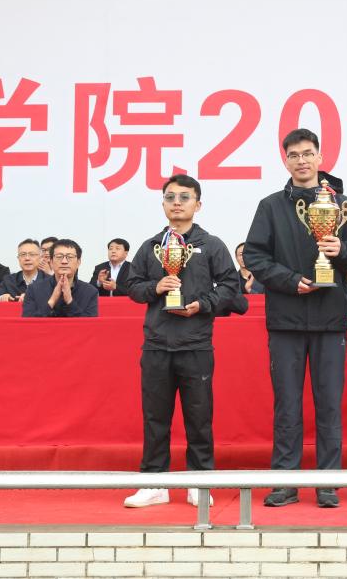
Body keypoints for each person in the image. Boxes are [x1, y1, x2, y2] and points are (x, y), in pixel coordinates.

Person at [242, 128, 347, 509]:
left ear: (320, 157)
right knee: (287, 405)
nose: (301, 161)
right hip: (286, 319)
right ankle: (285, 481)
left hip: (330, 319)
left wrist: (340, 248)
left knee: (329, 405)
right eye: (294, 155)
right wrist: (290, 281)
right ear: (285, 161)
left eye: (308, 153)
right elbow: (255, 257)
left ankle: (328, 482)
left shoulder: (343, 205)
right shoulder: (270, 206)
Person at [123, 174, 241, 509]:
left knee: (199, 418)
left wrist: (202, 304)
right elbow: (133, 286)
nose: (177, 203)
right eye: (170, 197)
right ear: (163, 204)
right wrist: (155, 287)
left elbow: (230, 287)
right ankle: (154, 484)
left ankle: (199, 484)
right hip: (157, 343)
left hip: (195, 344)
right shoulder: (151, 246)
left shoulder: (212, 244)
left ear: (197, 205)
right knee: (155, 418)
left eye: (185, 197)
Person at [22, 239, 98, 317]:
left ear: (78, 262)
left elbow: (90, 323)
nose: (64, 261)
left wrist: (70, 301)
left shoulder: (90, 292)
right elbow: (28, 322)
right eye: (59, 257)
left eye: (70, 257)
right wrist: (52, 301)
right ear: (51, 262)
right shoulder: (33, 290)